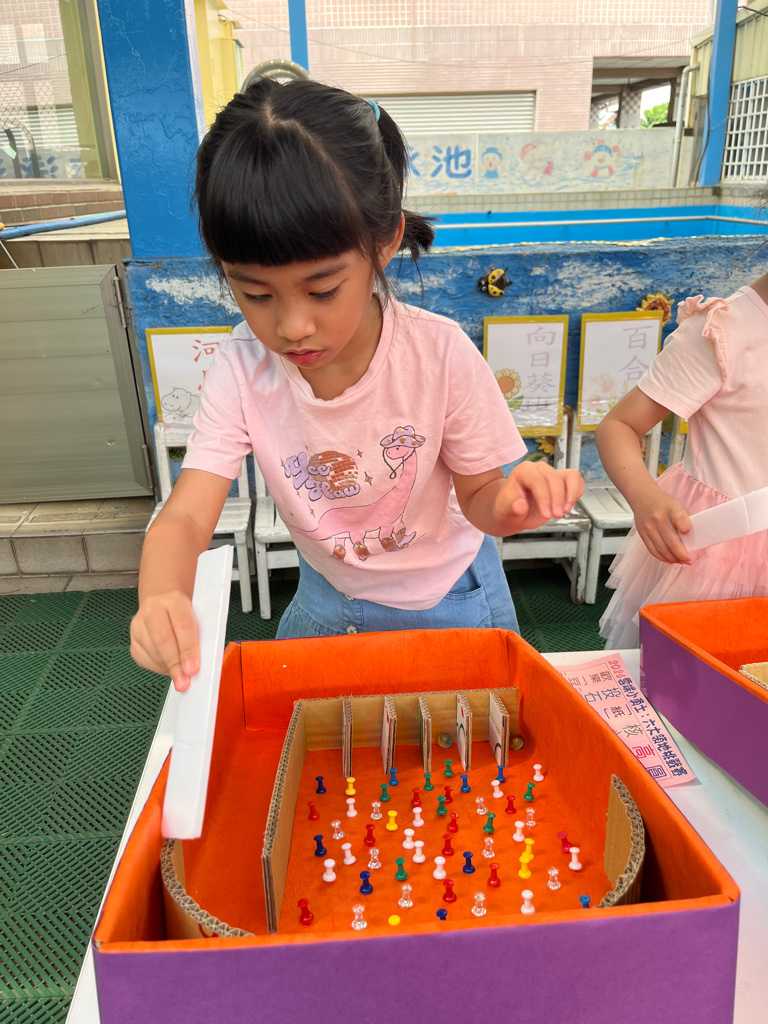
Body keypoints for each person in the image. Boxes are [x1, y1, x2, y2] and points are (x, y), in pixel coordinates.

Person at [130, 78, 584, 691]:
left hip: (450, 598)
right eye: (255, 294)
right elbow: (186, 514)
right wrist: (161, 593)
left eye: (322, 290)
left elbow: (481, 496)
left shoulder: (439, 352)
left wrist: (510, 505)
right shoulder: (242, 366)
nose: (292, 326)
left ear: (385, 241)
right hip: (328, 596)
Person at [596, 273, 768, 649]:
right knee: (694, 671)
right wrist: (646, 498)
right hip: (720, 548)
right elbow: (618, 425)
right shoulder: (721, 331)